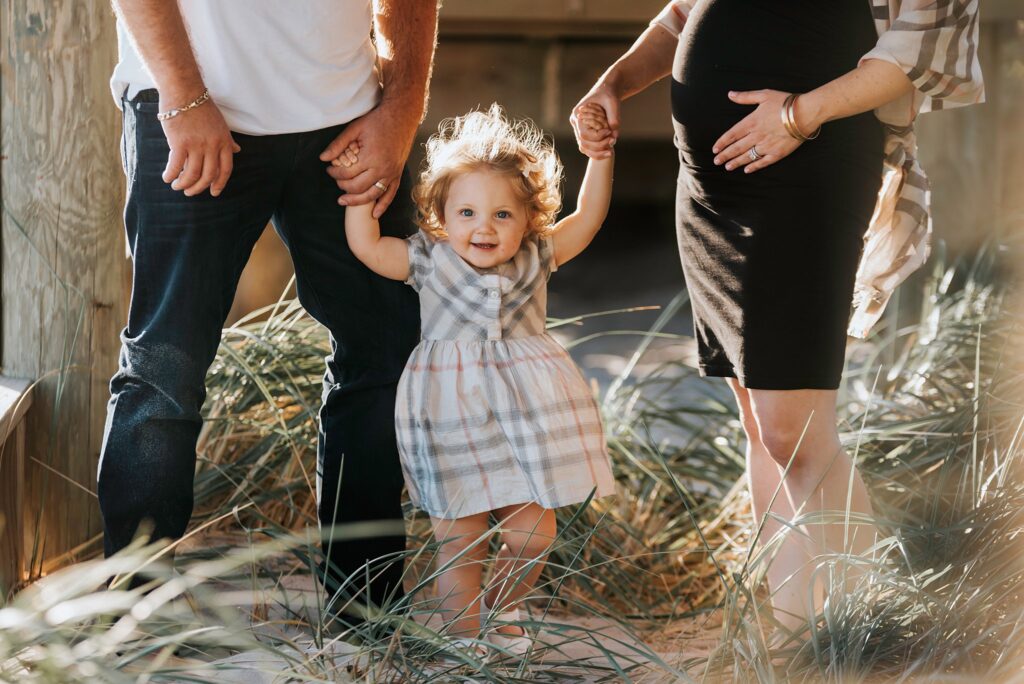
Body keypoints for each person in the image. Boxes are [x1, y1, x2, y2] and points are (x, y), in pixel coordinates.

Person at [570, 0, 983, 631]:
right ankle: (790, 633)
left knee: (793, 429)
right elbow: (685, 13)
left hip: (807, 166)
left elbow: (920, 48)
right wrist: (613, 83)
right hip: (709, 190)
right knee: (760, 423)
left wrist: (798, 115)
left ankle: (847, 636)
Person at [97, 0, 438, 628]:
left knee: (385, 355)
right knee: (163, 371)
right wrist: (181, 98)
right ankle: (134, 625)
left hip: (348, 118)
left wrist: (400, 110)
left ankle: (367, 613)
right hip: (192, 111)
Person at [342, 103, 617, 656]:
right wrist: (360, 197)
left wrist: (600, 157)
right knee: (460, 539)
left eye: (501, 215)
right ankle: (464, 641)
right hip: (452, 415)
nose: (483, 228)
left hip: (529, 417)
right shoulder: (429, 259)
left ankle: (504, 607)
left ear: (528, 220)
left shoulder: (537, 257)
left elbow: (586, 219)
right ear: (442, 215)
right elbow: (368, 248)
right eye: (466, 213)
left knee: (532, 535)